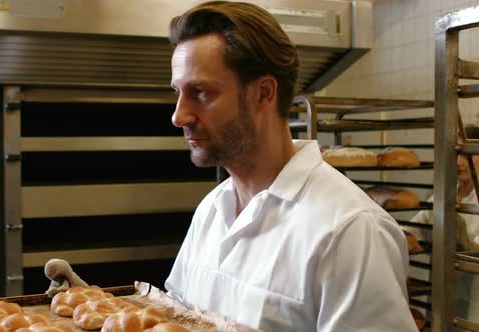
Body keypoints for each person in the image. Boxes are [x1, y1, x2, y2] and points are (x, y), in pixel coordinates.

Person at [164, 2, 418, 331]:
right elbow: (174, 317)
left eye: (200, 92)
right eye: (178, 92)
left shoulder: (348, 231)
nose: (178, 115)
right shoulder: (212, 210)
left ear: (264, 93)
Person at [408, 135, 479, 324]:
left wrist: (461, 234)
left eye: (467, 155)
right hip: (443, 293)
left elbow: (475, 253)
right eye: (457, 155)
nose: (460, 162)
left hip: (474, 297)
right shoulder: (443, 195)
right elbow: (415, 228)